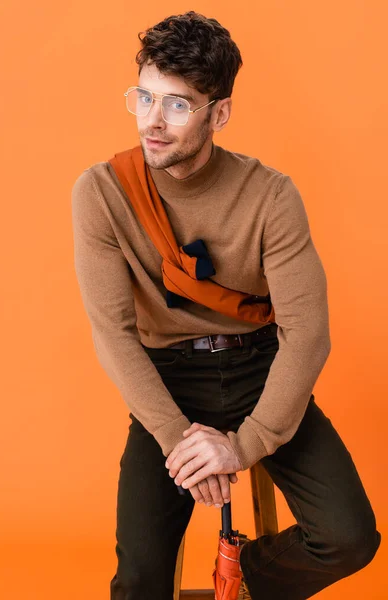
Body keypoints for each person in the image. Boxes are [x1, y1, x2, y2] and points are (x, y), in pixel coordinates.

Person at [71, 10, 381, 600]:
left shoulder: (271, 195)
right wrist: (179, 442)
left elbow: (307, 333)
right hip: (167, 382)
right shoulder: (101, 193)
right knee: (138, 580)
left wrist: (244, 445)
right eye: (144, 96)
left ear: (221, 113)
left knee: (349, 538)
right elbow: (112, 333)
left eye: (178, 105)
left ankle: (231, 587)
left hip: (259, 371)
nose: (153, 122)